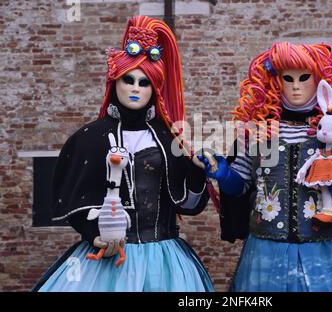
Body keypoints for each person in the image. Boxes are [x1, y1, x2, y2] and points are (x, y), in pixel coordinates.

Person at [197, 42, 332, 291]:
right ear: (276, 81)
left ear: (320, 80)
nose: (296, 86)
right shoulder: (257, 131)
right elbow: (239, 186)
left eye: (304, 77)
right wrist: (222, 173)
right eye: (288, 78)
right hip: (267, 252)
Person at [33, 16, 214, 292]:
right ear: (114, 82)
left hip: (163, 262)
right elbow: (75, 198)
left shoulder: (169, 139)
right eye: (128, 79)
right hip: (105, 261)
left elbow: (188, 205)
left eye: (144, 83)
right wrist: (94, 234)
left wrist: (198, 170)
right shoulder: (89, 139)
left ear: (154, 89)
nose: (135, 88)